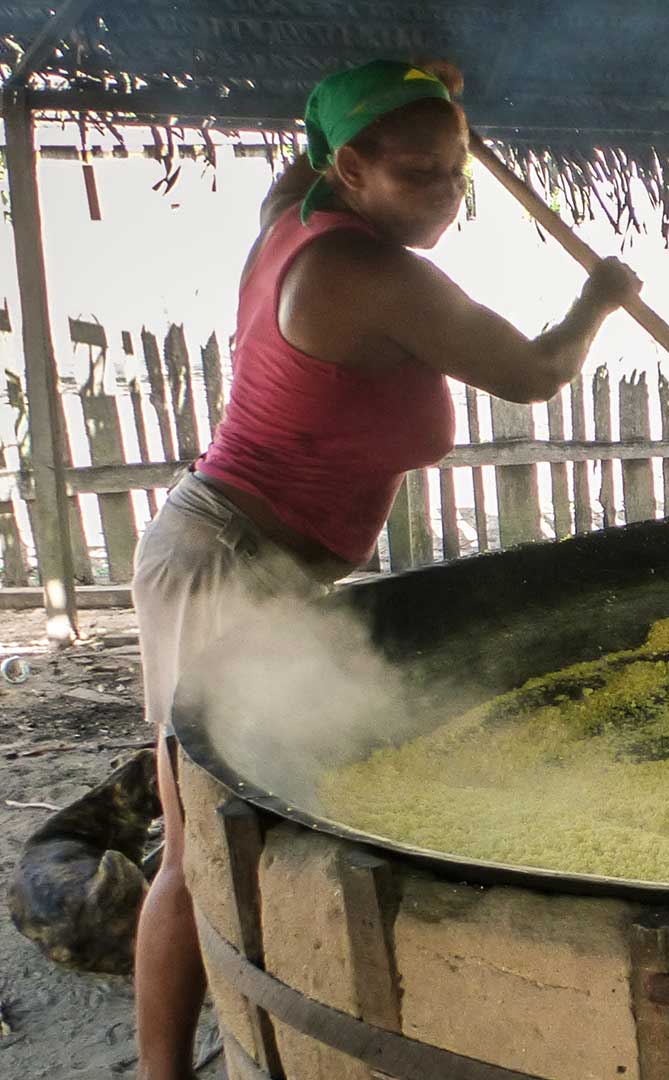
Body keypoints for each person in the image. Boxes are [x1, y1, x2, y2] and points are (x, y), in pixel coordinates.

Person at [132, 59, 640, 1078]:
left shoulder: (301, 201)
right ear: (352, 167)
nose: (446, 201)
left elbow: (305, 149)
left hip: (254, 561)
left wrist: (401, 96)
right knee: (195, 848)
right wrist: (601, 299)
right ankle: (162, 1072)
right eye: (419, 177)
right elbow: (535, 374)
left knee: (241, 815)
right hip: (226, 562)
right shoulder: (366, 272)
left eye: (457, 174)